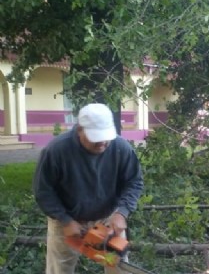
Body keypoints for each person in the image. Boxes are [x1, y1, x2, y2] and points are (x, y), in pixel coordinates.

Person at [33, 103, 144, 274]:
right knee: (59, 268)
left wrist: (122, 213)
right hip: (66, 218)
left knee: (118, 267)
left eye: (106, 136)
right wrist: (65, 220)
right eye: (95, 137)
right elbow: (43, 191)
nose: (102, 142)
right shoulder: (56, 151)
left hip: (108, 220)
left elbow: (134, 181)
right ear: (79, 130)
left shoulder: (121, 148)